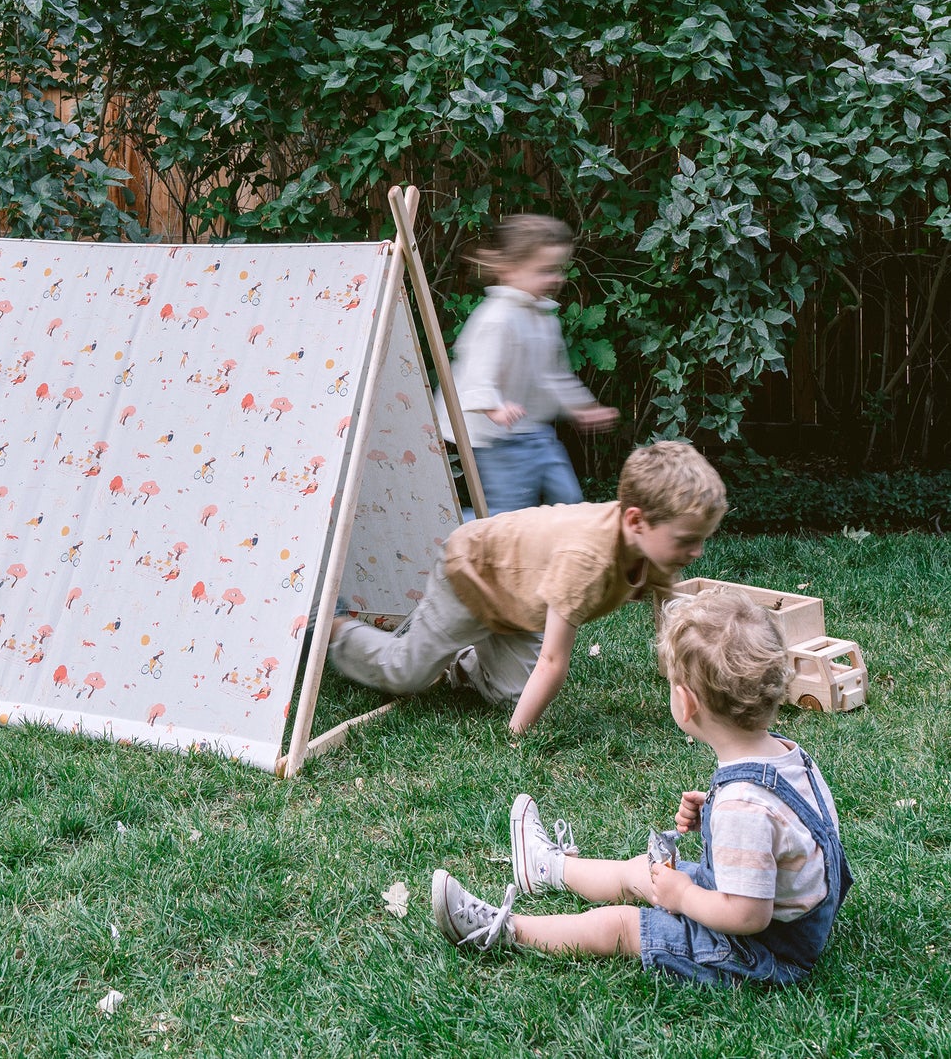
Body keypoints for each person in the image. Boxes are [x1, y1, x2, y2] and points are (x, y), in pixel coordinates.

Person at [430, 586, 853, 986]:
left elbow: (748, 915)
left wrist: (683, 896)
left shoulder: (744, 807)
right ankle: (547, 869)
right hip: (775, 915)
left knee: (623, 925)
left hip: (763, 948)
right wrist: (714, 811)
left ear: (686, 703)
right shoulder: (787, 757)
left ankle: (503, 930)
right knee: (643, 871)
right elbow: (784, 833)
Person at [328, 441, 725, 733]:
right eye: (687, 540)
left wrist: (690, 686)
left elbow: (674, 619)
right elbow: (552, 662)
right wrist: (517, 739)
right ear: (637, 521)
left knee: (514, 696)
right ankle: (333, 626)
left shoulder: (655, 551)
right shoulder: (587, 560)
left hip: (519, 604)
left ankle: (460, 660)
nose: (697, 552)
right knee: (405, 674)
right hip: (472, 577)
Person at [434, 215, 616, 517]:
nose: (555, 279)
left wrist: (582, 407)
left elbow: (555, 375)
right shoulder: (497, 318)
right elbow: (478, 372)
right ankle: (451, 532)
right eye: (544, 271)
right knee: (507, 513)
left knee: (569, 498)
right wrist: (494, 407)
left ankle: (566, 538)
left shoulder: (543, 317)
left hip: (535, 430)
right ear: (510, 269)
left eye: (557, 269)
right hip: (497, 438)